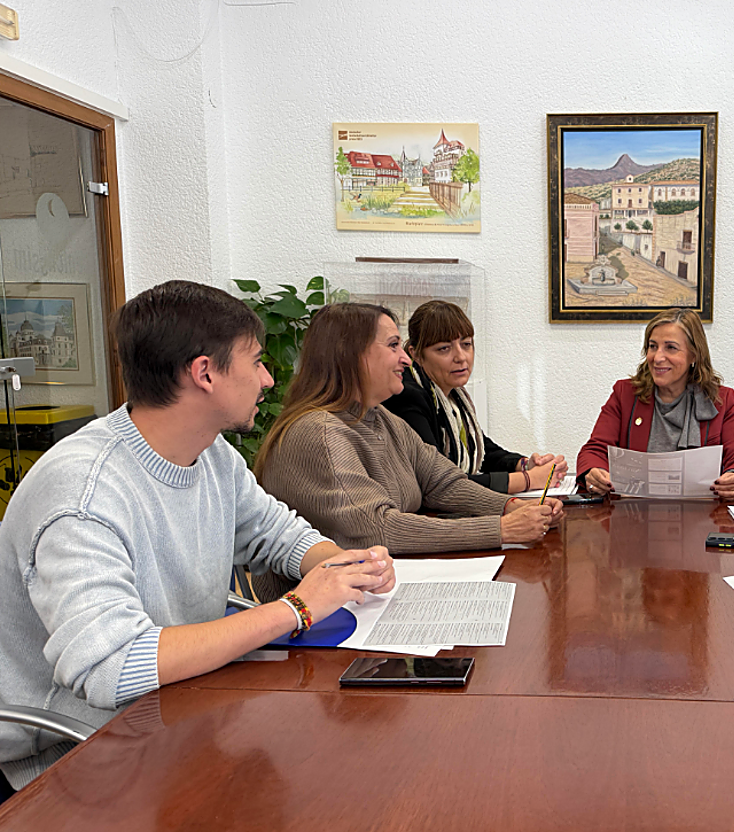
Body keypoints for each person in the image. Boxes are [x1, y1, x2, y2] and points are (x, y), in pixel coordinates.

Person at [0, 280, 397, 792]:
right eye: (255, 361)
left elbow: (277, 533)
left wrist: (345, 565)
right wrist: (295, 609)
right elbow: (111, 668)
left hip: (178, 707)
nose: (269, 380)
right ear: (205, 373)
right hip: (73, 755)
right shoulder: (83, 493)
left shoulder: (212, 455)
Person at [254, 302, 560, 578]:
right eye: (393, 346)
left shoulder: (379, 417)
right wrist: (500, 529)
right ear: (354, 356)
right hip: (325, 620)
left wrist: (511, 506)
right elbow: (379, 528)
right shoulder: (319, 432)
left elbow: (442, 482)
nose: (405, 359)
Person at [577, 307, 734, 500]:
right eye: (652, 346)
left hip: (703, 516)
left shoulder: (720, 400)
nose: (657, 357)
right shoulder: (625, 394)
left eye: (670, 348)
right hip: (633, 514)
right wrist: (595, 471)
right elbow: (594, 450)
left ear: (694, 355)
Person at [383, 300, 567, 494]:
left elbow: (482, 451)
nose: (461, 357)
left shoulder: (454, 396)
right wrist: (528, 480)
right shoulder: (409, 396)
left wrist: (525, 465)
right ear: (416, 354)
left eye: (466, 344)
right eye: (444, 348)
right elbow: (440, 480)